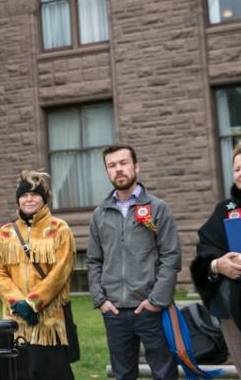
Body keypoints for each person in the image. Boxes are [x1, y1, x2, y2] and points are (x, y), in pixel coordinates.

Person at [87, 144, 181, 380]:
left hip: (150, 308)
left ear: (136, 166)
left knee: (164, 372)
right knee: (123, 374)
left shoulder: (157, 208)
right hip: (115, 311)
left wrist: (156, 300)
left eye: (123, 163)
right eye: (112, 165)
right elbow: (93, 260)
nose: (118, 169)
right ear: (107, 172)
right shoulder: (100, 214)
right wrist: (101, 299)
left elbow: (171, 256)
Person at [0, 170, 76, 379]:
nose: (29, 199)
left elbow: (62, 271)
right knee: (21, 373)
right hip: (16, 322)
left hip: (48, 323)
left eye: (34, 194)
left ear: (43, 199)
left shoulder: (59, 229)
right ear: (18, 199)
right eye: (24, 195)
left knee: (52, 372)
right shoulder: (4, 233)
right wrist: (17, 301)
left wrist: (32, 302)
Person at [190, 142, 241, 372]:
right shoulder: (224, 210)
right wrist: (217, 265)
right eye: (238, 169)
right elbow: (204, 253)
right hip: (233, 309)